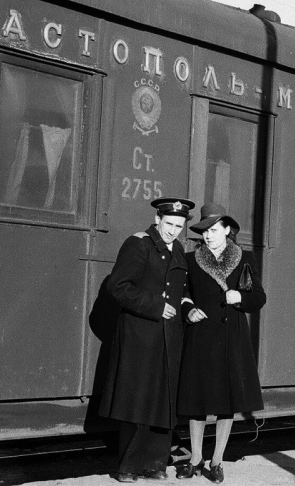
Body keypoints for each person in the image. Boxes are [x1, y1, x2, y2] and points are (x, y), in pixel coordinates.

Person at [99, 197, 195, 483]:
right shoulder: (138, 243)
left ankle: (155, 464)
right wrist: (153, 305)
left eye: (179, 226)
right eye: (169, 224)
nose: (173, 230)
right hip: (140, 335)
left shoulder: (177, 249)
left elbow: (182, 291)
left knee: (163, 400)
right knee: (137, 400)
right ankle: (128, 467)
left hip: (169, 336)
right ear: (157, 220)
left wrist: (189, 309)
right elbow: (118, 286)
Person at [176, 204, 266, 484]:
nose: (208, 236)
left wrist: (239, 297)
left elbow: (258, 298)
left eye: (214, 230)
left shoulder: (244, 259)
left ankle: (216, 462)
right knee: (197, 402)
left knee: (226, 403)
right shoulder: (191, 260)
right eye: (204, 231)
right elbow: (183, 294)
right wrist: (188, 310)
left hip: (231, 339)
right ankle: (195, 459)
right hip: (201, 336)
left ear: (227, 230)